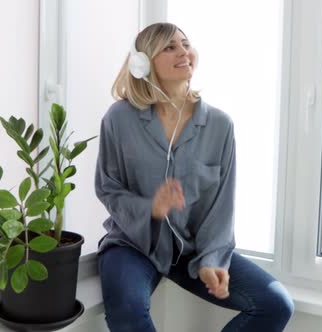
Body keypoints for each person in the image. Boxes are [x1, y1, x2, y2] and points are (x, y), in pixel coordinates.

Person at [95, 22, 294, 332]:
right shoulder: (119, 119)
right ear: (143, 62)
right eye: (170, 47)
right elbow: (108, 188)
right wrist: (151, 208)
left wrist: (212, 259)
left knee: (275, 304)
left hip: (193, 251)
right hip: (134, 245)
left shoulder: (219, 125)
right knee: (129, 309)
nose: (183, 52)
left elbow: (221, 207)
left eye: (186, 44)